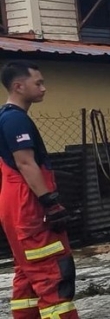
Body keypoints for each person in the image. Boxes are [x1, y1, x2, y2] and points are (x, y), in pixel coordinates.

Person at [0, 61, 79, 319]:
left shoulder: (5, 117)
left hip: (14, 206)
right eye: (38, 83)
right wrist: (49, 201)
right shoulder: (15, 120)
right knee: (53, 274)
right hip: (30, 206)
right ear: (18, 86)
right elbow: (25, 163)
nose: (44, 88)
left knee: (26, 273)